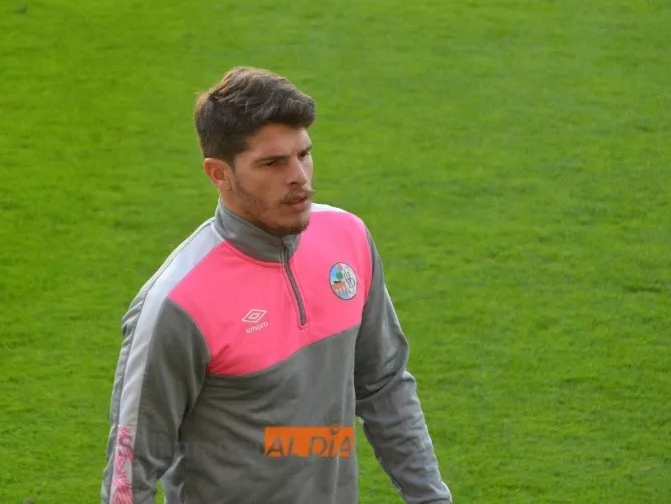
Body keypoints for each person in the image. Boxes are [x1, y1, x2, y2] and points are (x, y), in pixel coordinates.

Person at [100, 66, 452, 504]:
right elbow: (128, 475)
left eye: (303, 154)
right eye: (272, 163)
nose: (299, 178)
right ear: (219, 174)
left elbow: (385, 386)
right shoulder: (177, 304)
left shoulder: (348, 239)